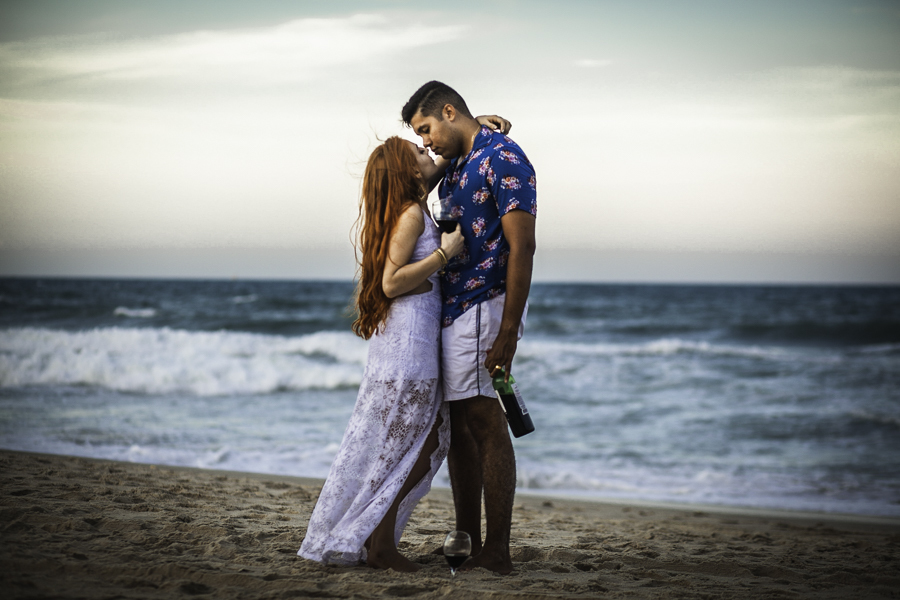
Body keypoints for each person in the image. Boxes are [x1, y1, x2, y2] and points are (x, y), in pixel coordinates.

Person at [298, 116, 509, 571]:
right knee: (417, 444)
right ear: (409, 172)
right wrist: (445, 254)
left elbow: (448, 150)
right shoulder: (411, 214)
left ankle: (377, 540)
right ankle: (380, 545)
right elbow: (392, 283)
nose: (427, 149)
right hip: (408, 348)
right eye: (418, 151)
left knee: (416, 443)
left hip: (408, 344)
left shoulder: (411, 207)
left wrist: (476, 124)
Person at [402, 81, 537, 575]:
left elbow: (523, 246)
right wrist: (475, 124)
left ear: (448, 111)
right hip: (457, 307)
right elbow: (415, 182)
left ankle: (496, 550)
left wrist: (507, 332)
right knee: (460, 425)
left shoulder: (505, 157)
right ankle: (469, 537)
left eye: (425, 129)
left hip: (487, 303)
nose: (424, 141)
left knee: (483, 420)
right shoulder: (459, 160)